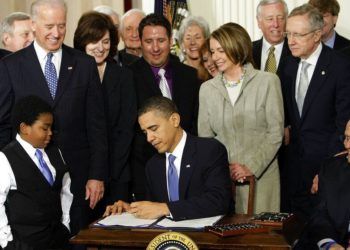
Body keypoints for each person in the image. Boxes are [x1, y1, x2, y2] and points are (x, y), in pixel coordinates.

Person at [0, 0, 108, 238]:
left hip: (78, 177)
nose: (56, 33)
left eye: (61, 25)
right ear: (34, 24)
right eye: (49, 26)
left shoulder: (84, 64)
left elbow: (97, 124)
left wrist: (97, 174)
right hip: (29, 181)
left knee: (76, 239)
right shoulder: (10, 66)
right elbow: (4, 124)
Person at [198, 23, 284, 214]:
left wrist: (251, 167)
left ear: (237, 46)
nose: (215, 57)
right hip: (223, 182)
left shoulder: (268, 82)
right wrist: (222, 169)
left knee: (261, 239)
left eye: (221, 50)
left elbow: (276, 133)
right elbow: (206, 139)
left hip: (262, 180)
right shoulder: (207, 90)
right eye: (213, 51)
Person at [104, 96, 232, 220]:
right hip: (166, 239)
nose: (149, 138)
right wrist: (132, 209)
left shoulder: (209, 150)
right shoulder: (153, 165)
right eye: (145, 133)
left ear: (175, 120)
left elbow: (219, 201)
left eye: (153, 129)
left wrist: (166, 208)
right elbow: (154, 208)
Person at [280, 4, 350, 220]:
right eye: (288, 33)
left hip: (324, 169)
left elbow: (342, 124)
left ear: (317, 35)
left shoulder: (340, 67)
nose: (290, 41)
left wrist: (327, 171)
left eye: (298, 35)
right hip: (292, 169)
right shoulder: (288, 64)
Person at [128, 13, 199, 201]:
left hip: (189, 168)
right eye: (149, 41)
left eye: (161, 40)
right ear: (140, 43)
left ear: (170, 41)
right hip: (146, 169)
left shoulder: (190, 76)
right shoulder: (126, 77)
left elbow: (195, 124)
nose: (155, 48)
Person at [74, 11, 136, 204]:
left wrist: (106, 172)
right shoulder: (71, 74)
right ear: (83, 41)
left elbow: (127, 128)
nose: (100, 48)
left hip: (117, 173)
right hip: (81, 173)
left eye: (106, 41)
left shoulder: (123, 76)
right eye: (94, 41)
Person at [0, 95, 72, 249]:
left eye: (51, 128)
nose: (50, 133)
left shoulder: (54, 151)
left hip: (58, 240)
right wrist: (6, 241)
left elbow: (66, 188)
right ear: (24, 128)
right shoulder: (5, 158)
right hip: (25, 243)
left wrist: (65, 223)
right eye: (44, 128)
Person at [295, 120, 350, 250]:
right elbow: (320, 214)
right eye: (347, 137)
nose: (347, 145)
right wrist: (329, 244)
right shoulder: (331, 168)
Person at [253, 0, 291, 75]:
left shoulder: (296, 51)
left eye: (280, 18)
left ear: (287, 20)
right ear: (259, 22)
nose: (276, 24)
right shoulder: (247, 51)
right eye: (270, 19)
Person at [178, 16, 210, 82]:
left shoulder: (212, 70)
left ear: (206, 41)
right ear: (182, 44)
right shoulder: (176, 73)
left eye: (197, 37)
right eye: (188, 38)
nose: (192, 42)